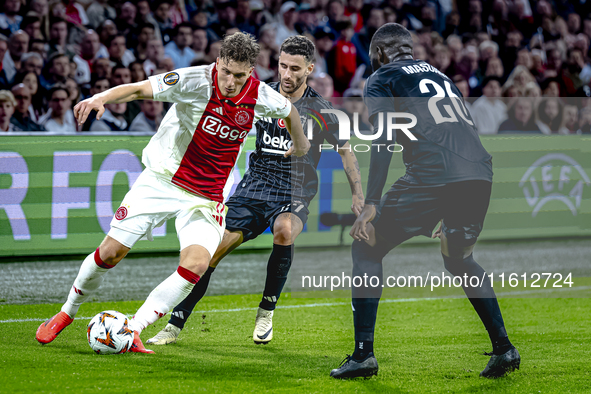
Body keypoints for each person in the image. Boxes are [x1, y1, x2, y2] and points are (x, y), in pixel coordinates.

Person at [35, 32, 310, 354]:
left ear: (250, 72)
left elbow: (288, 110)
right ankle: (67, 311)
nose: (231, 82)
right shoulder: (193, 80)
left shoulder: (261, 95)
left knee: (196, 265)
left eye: (240, 75)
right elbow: (139, 89)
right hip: (161, 181)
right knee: (110, 253)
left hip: (206, 197)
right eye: (226, 72)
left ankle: (133, 329)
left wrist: (301, 141)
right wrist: (101, 98)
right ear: (218, 62)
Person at [329, 23, 520, 379]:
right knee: (459, 259)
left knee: (367, 248)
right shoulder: (441, 76)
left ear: (382, 53)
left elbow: (384, 139)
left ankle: (362, 355)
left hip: (434, 173)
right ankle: (504, 348)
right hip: (478, 172)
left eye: (373, 58)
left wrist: (371, 201)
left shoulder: (383, 76)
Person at [147, 35, 363, 346]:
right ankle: (175, 324)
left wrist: (357, 193)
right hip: (255, 185)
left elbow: (346, 151)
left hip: (295, 188)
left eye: (295, 69)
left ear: (310, 69)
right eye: (282, 66)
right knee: (211, 251)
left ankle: (266, 310)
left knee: (285, 230)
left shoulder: (323, 109)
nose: (286, 75)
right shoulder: (262, 95)